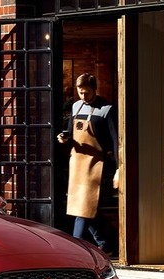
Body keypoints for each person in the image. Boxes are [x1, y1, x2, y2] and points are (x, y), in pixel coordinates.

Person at [57, 73, 120, 255]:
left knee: (83, 207)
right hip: (77, 163)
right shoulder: (76, 107)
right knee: (84, 206)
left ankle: (74, 247)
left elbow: (115, 141)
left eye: (86, 93)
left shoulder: (107, 109)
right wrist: (64, 138)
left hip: (95, 165)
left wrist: (118, 168)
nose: (83, 96)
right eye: (80, 92)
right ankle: (105, 243)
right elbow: (69, 132)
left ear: (94, 89)